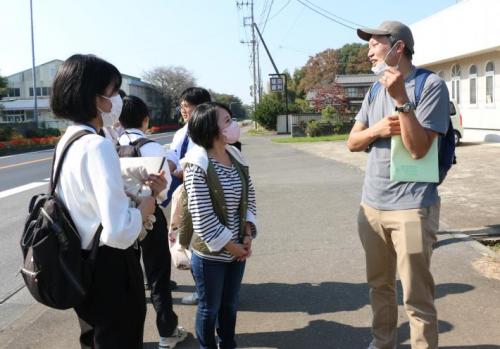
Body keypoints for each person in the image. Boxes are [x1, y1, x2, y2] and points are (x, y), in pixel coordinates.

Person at [347, 21, 450, 349]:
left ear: (398, 47)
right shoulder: (375, 88)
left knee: (417, 295)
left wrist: (402, 100)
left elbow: (420, 150)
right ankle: (383, 342)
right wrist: (376, 130)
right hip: (371, 206)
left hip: (412, 206)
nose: (369, 52)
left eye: (374, 44)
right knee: (379, 287)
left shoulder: (430, 85)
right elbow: (352, 142)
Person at [49, 54, 156, 348]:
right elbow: (119, 231)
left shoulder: (68, 141)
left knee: (93, 338)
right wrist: (145, 205)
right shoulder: (97, 146)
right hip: (110, 267)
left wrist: (130, 197)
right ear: (93, 97)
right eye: (113, 92)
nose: (117, 100)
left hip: (79, 262)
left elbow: (85, 203)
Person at [182, 102, 257, 349]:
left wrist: (247, 233)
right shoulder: (197, 164)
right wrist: (231, 246)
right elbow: (201, 215)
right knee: (209, 307)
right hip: (210, 254)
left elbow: (249, 196)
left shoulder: (235, 156)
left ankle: (228, 344)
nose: (233, 124)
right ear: (211, 128)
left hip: (237, 247)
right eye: (227, 120)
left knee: (230, 304)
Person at [117, 95, 187, 349]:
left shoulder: (108, 146)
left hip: (119, 218)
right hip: (150, 215)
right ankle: (167, 332)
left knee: (125, 278)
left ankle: (127, 336)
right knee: (158, 277)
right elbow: (164, 192)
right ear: (145, 120)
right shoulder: (153, 148)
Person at [166, 87, 212, 305]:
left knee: (202, 244)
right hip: (183, 194)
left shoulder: (208, 132)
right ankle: (205, 291)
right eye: (182, 106)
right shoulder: (180, 132)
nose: (184, 110)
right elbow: (174, 157)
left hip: (202, 194)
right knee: (190, 245)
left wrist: (183, 171)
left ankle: (208, 293)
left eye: (189, 106)